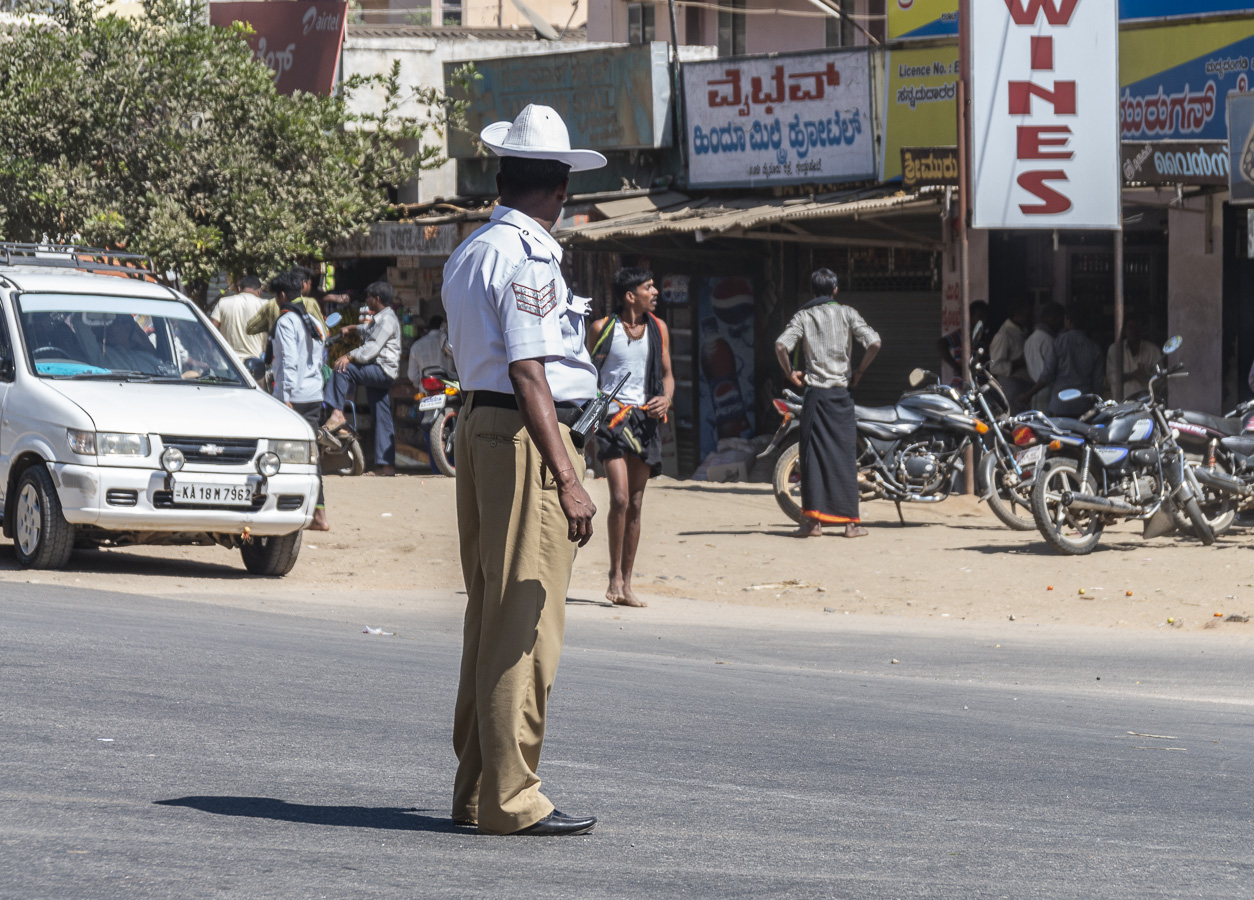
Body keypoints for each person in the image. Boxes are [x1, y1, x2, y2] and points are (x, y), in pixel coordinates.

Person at [442, 103, 604, 837]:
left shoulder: (473, 249)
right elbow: (530, 371)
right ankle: (511, 798)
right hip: (522, 435)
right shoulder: (529, 255)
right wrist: (566, 474)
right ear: (558, 186)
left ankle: (479, 791)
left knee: (490, 613)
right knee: (525, 622)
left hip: (480, 426)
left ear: (507, 175)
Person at [587, 267, 674, 608]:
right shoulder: (601, 329)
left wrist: (666, 398)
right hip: (612, 420)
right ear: (629, 295)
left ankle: (628, 581)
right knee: (620, 499)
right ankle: (614, 575)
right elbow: (587, 372)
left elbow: (667, 375)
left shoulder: (659, 328)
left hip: (645, 421)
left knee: (636, 504)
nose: (655, 292)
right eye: (648, 287)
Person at [775, 268, 881, 539]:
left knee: (811, 458)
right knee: (844, 457)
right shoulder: (848, 313)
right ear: (835, 290)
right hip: (841, 396)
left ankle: (813, 524)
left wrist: (790, 373)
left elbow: (780, 346)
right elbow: (874, 342)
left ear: (812, 291)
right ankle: (851, 525)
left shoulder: (804, 315)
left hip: (816, 396)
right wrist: (860, 371)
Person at [269, 270, 329, 531]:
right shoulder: (314, 322)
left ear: (281, 296)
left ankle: (289, 510)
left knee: (278, 454)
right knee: (311, 456)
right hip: (314, 395)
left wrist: (285, 397)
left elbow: (290, 362)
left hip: (292, 398)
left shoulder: (286, 322)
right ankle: (318, 515)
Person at [320, 281, 400, 476]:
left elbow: (371, 348)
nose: (366, 300)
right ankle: (386, 467)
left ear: (377, 299)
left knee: (343, 368)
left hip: (381, 370)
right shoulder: (382, 318)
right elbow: (369, 330)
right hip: (381, 371)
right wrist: (354, 327)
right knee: (382, 417)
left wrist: (349, 355)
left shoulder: (388, 320)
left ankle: (337, 413)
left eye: (369, 297)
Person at [1020, 305, 1104, 416]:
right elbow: (1097, 385)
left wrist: (1028, 394)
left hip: (1060, 404)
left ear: (1068, 320)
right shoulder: (1094, 348)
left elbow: (1047, 375)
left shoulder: (1058, 342)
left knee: (1058, 433)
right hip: (1084, 406)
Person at [245, 268, 326, 337]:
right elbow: (323, 332)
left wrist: (271, 326)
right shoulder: (310, 303)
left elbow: (250, 328)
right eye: (310, 284)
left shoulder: (271, 304)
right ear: (304, 284)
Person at [988, 299, 1033, 413]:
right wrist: (1020, 363)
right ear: (1016, 315)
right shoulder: (1004, 335)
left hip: (1025, 384)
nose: (1029, 318)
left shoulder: (1023, 332)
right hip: (1011, 384)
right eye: (1026, 315)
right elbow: (995, 366)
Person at [209, 276, 266, 363]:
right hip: (256, 364)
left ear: (239, 289)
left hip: (227, 364)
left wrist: (211, 356)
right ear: (259, 291)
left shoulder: (223, 302)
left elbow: (210, 330)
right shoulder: (266, 306)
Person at [1106, 316, 1159, 400]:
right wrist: (1133, 375)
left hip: (1146, 402)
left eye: (1136, 328)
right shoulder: (1115, 349)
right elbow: (1111, 377)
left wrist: (1147, 375)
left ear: (1141, 330)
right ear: (1124, 331)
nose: (1134, 331)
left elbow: (1160, 379)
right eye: (1130, 327)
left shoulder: (1153, 350)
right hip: (1122, 403)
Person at [1024, 301, 1063, 411]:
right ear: (1054, 318)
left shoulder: (1030, 339)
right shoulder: (1049, 341)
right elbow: (1049, 372)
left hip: (1035, 389)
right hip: (1047, 390)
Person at [938, 301, 989, 385]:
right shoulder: (964, 335)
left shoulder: (986, 338)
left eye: (986, 317)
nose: (984, 320)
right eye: (980, 317)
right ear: (971, 317)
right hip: (963, 386)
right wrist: (956, 367)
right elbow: (940, 344)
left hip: (981, 386)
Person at [407, 315, 457, 384]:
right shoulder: (450, 344)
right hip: (449, 388)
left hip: (426, 390)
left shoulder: (416, 346)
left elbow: (412, 376)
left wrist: (421, 384)